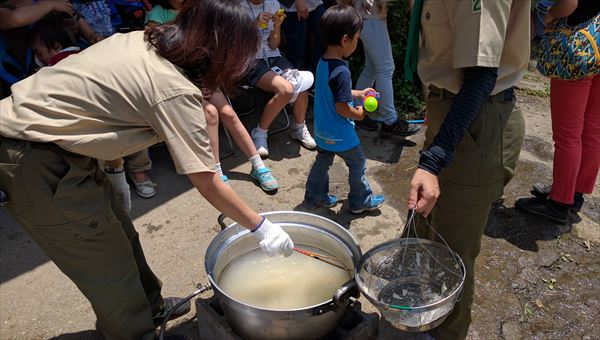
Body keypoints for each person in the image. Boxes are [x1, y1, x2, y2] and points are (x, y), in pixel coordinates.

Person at [0, 1, 294, 339]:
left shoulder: (146, 40)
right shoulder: (172, 88)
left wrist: (112, 170)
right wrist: (262, 228)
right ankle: (135, 331)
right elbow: (207, 180)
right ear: (221, 51)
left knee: (122, 234)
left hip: (63, 146)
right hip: (30, 156)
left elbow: (105, 105)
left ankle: (151, 309)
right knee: (106, 262)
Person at [406, 0, 529, 338]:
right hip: (453, 111)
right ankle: (431, 322)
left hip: (474, 118)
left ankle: (447, 333)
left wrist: (433, 160)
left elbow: (480, 77)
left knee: (451, 254)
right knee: (433, 232)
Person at [515, 0, 600, 224]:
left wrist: (549, 15)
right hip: (598, 42)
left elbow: (569, 3)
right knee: (592, 130)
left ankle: (558, 204)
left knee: (568, 135)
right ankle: (575, 195)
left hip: (577, 49)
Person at [303, 5, 385, 214]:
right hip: (341, 134)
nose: (357, 43)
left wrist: (357, 94)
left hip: (322, 130)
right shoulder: (341, 71)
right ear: (346, 40)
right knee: (358, 162)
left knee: (322, 161)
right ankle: (360, 200)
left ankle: (315, 197)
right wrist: (359, 113)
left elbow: (333, 92)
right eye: (357, 38)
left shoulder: (323, 62)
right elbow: (341, 107)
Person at [241, 0, 317, 158]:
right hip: (249, 60)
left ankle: (299, 127)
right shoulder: (238, 8)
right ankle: (260, 132)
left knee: (302, 83)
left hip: (273, 56)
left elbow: (274, 45)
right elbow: (237, 46)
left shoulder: (273, 4)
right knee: (286, 89)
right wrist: (253, 26)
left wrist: (277, 26)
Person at [340, 0, 420, 138]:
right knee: (386, 68)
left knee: (372, 68)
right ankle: (390, 121)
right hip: (370, 14)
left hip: (365, 14)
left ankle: (357, 112)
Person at [201, 88, 280, 192]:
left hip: (201, 79)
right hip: (182, 85)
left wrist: (208, 82)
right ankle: (217, 172)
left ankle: (258, 166)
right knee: (210, 112)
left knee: (228, 112)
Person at [280, 0, 325, 75]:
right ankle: (293, 83)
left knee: (324, 43)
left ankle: (314, 82)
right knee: (297, 52)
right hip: (293, 7)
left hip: (316, 4)